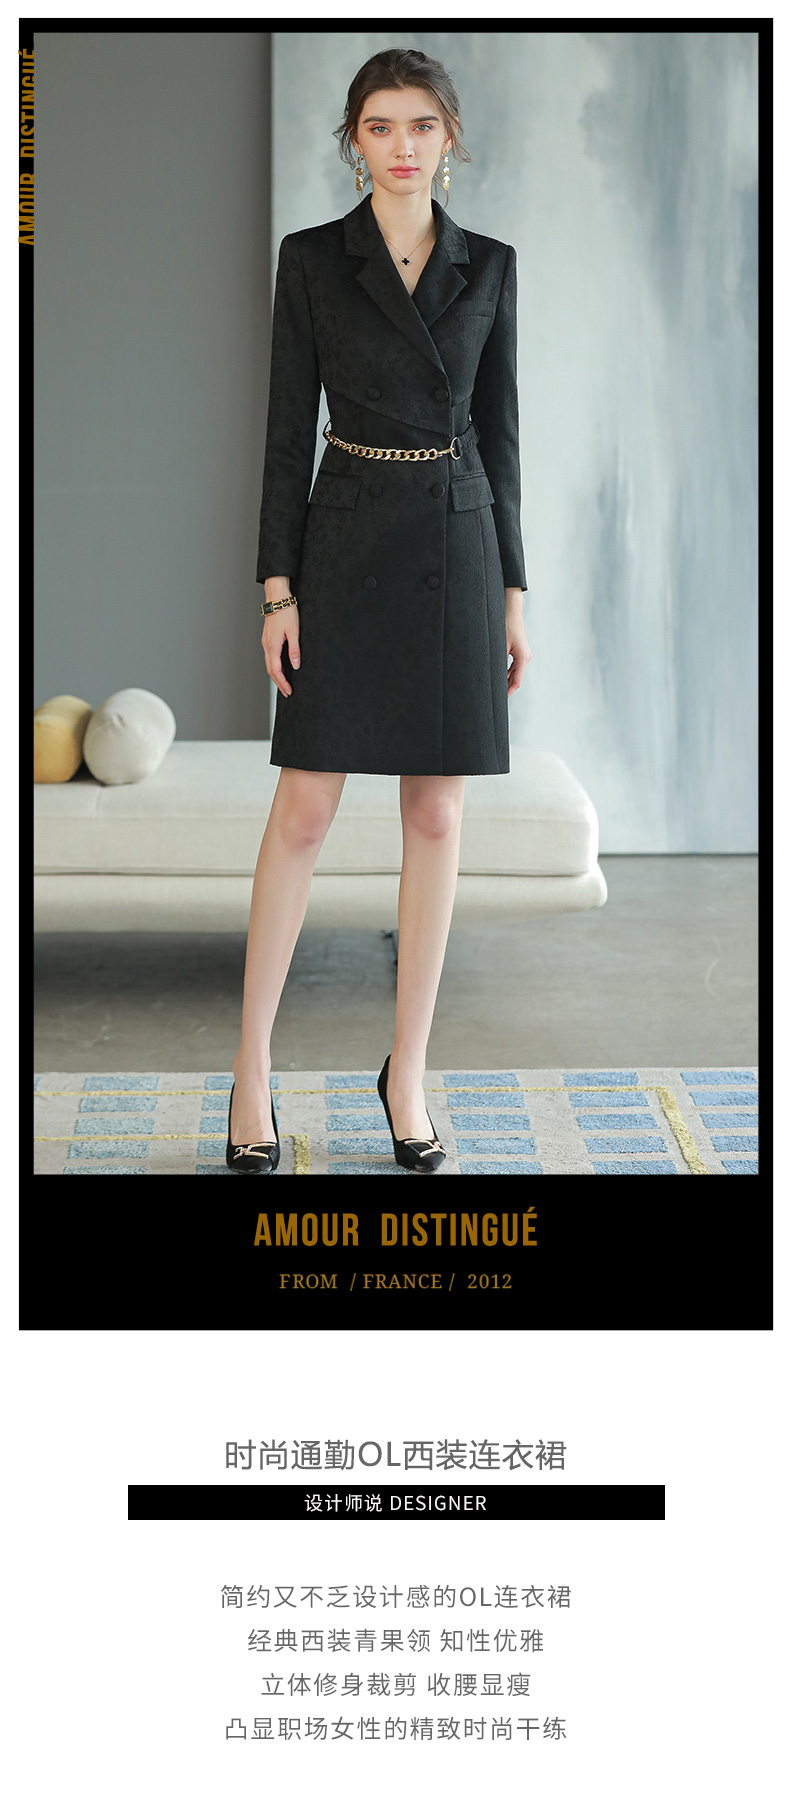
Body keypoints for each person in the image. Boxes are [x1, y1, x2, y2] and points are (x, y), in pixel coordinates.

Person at [227, 45, 532, 1176]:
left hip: (456, 543)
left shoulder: (490, 266)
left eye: (421, 125)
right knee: (305, 811)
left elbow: (501, 439)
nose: (402, 146)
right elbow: (281, 436)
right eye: (379, 126)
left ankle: (409, 1070)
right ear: (353, 142)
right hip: (344, 536)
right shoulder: (313, 260)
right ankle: (251, 1067)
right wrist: (277, 589)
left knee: (438, 816)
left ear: (450, 140)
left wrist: (512, 592)